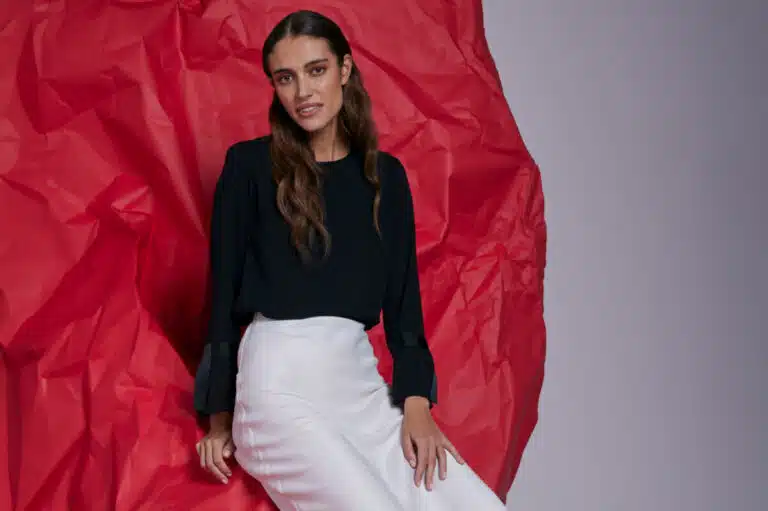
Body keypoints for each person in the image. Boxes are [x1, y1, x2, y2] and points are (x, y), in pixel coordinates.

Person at [193, 9, 507, 510]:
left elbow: (405, 306)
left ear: (344, 69)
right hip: (278, 390)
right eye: (286, 78)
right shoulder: (248, 166)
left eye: (316, 70)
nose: (303, 92)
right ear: (274, 86)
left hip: (360, 390)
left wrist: (417, 405)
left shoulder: (386, 177)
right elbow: (223, 296)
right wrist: (219, 419)